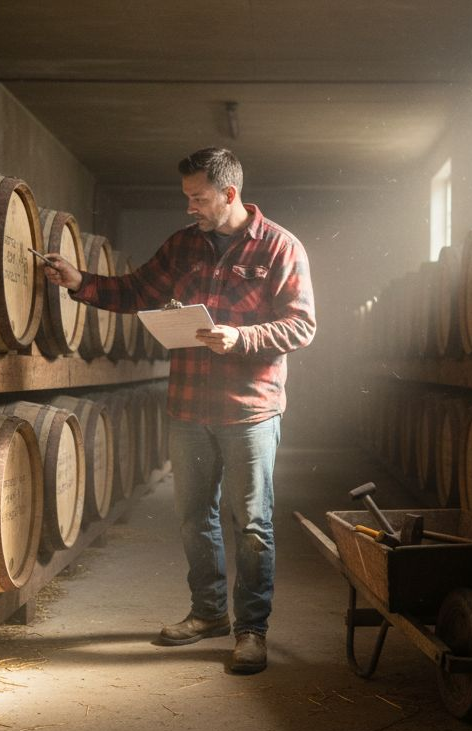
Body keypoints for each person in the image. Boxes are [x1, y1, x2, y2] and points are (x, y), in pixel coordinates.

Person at [42, 147, 315, 674]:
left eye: (198, 197)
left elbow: (301, 325)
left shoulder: (281, 247)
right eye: (186, 196)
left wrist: (240, 336)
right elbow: (137, 289)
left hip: (250, 410)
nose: (189, 206)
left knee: (252, 524)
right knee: (194, 519)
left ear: (229, 194)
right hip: (189, 405)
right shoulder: (183, 246)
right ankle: (208, 613)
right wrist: (81, 282)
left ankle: (251, 630)